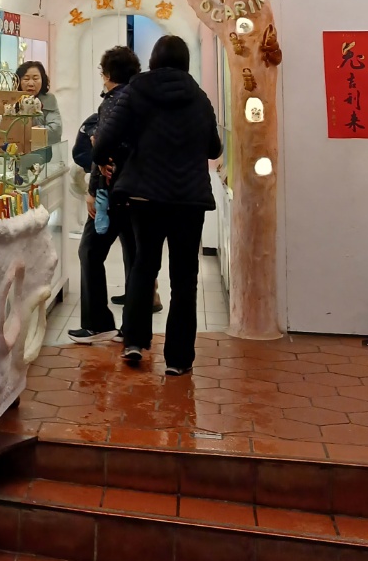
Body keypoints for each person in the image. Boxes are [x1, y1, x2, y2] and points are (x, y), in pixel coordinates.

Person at [92, 35, 222, 374]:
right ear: (185, 61)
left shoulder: (136, 91)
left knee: (143, 266)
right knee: (185, 278)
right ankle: (178, 360)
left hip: (144, 197)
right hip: (188, 200)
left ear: (152, 60)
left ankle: (135, 341)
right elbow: (214, 148)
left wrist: (107, 158)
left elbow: (104, 140)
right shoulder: (199, 96)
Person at [67, 45, 141, 343]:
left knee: (90, 250)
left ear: (106, 74)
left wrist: (93, 190)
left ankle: (97, 323)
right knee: (135, 258)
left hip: (111, 193)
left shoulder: (112, 103)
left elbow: (103, 152)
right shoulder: (141, 100)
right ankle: (133, 329)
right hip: (139, 191)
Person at [14, 60, 61, 170]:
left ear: (42, 80)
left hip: (42, 158)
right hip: (14, 156)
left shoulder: (49, 99)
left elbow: (56, 130)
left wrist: (28, 133)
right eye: (26, 79)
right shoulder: (12, 99)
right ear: (18, 81)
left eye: (35, 79)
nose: (31, 83)